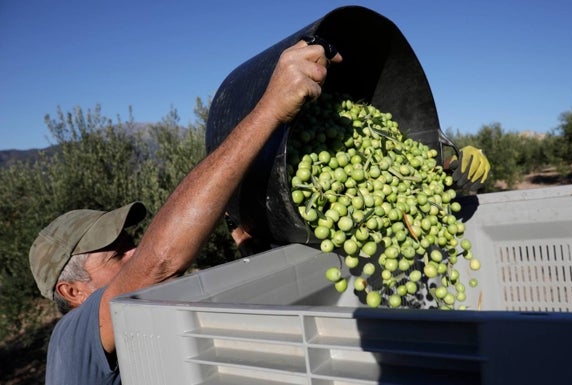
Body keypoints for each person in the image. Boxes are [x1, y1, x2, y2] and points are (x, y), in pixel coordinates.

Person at [29, 39, 343, 385]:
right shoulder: (71, 337)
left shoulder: (143, 329)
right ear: (73, 292)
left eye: (129, 242)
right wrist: (270, 109)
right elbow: (158, 263)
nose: (134, 251)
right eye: (116, 255)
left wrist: (252, 256)